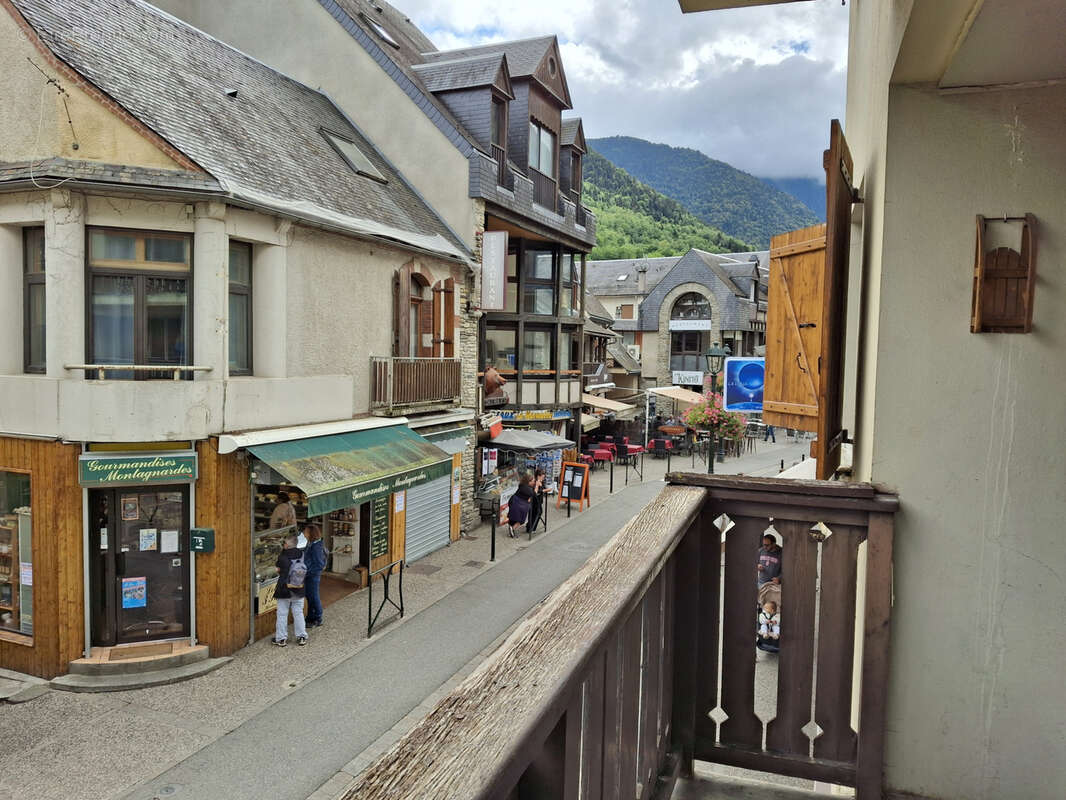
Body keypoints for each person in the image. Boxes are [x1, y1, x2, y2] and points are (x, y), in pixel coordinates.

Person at [273, 534, 308, 646]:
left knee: (282, 614)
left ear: (287, 545)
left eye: (284, 543)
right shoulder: (302, 554)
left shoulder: (283, 557)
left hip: (285, 589)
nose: (283, 545)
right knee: (298, 613)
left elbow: (278, 570)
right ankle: (302, 636)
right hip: (299, 587)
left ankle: (281, 639)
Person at [302, 524, 327, 628]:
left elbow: (319, 564)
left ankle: (318, 617)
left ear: (311, 534)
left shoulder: (316, 546)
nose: (303, 533)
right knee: (310, 596)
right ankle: (310, 617)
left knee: (314, 596)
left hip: (312, 576)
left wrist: (308, 572)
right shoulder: (312, 544)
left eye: (306, 532)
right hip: (310, 575)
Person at [757, 533, 782, 606]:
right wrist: (757, 565)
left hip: (773, 585)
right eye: (763, 544)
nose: (764, 547)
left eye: (767, 545)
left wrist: (779, 578)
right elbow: (754, 562)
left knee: (771, 607)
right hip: (761, 583)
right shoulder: (761, 551)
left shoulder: (782, 553)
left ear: (774, 544)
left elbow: (787, 570)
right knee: (760, 605)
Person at [507, 472, 535, 537]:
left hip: (516, 502)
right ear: (529, 481)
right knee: (521, 519)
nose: (534, 482)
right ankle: (512, 528)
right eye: (533, 481)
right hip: (518, 504)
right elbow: (533, 494)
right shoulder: (526, 488)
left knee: (515, 517)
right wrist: (536, 487)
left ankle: (512, 528)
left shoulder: (523, 485)